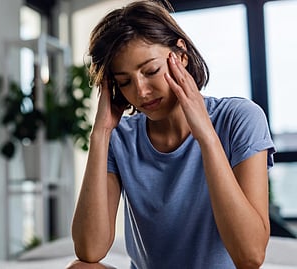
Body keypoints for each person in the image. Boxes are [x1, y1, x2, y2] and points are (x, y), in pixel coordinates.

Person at [66, 0, 276, 268]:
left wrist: (206, 136)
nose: (141, 91)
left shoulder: (240, 118)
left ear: (181, 55)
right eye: (125, 82)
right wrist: (100, 134)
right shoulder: (121, 137)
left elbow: (250, 256)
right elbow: (90, 249)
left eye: (151, 71)